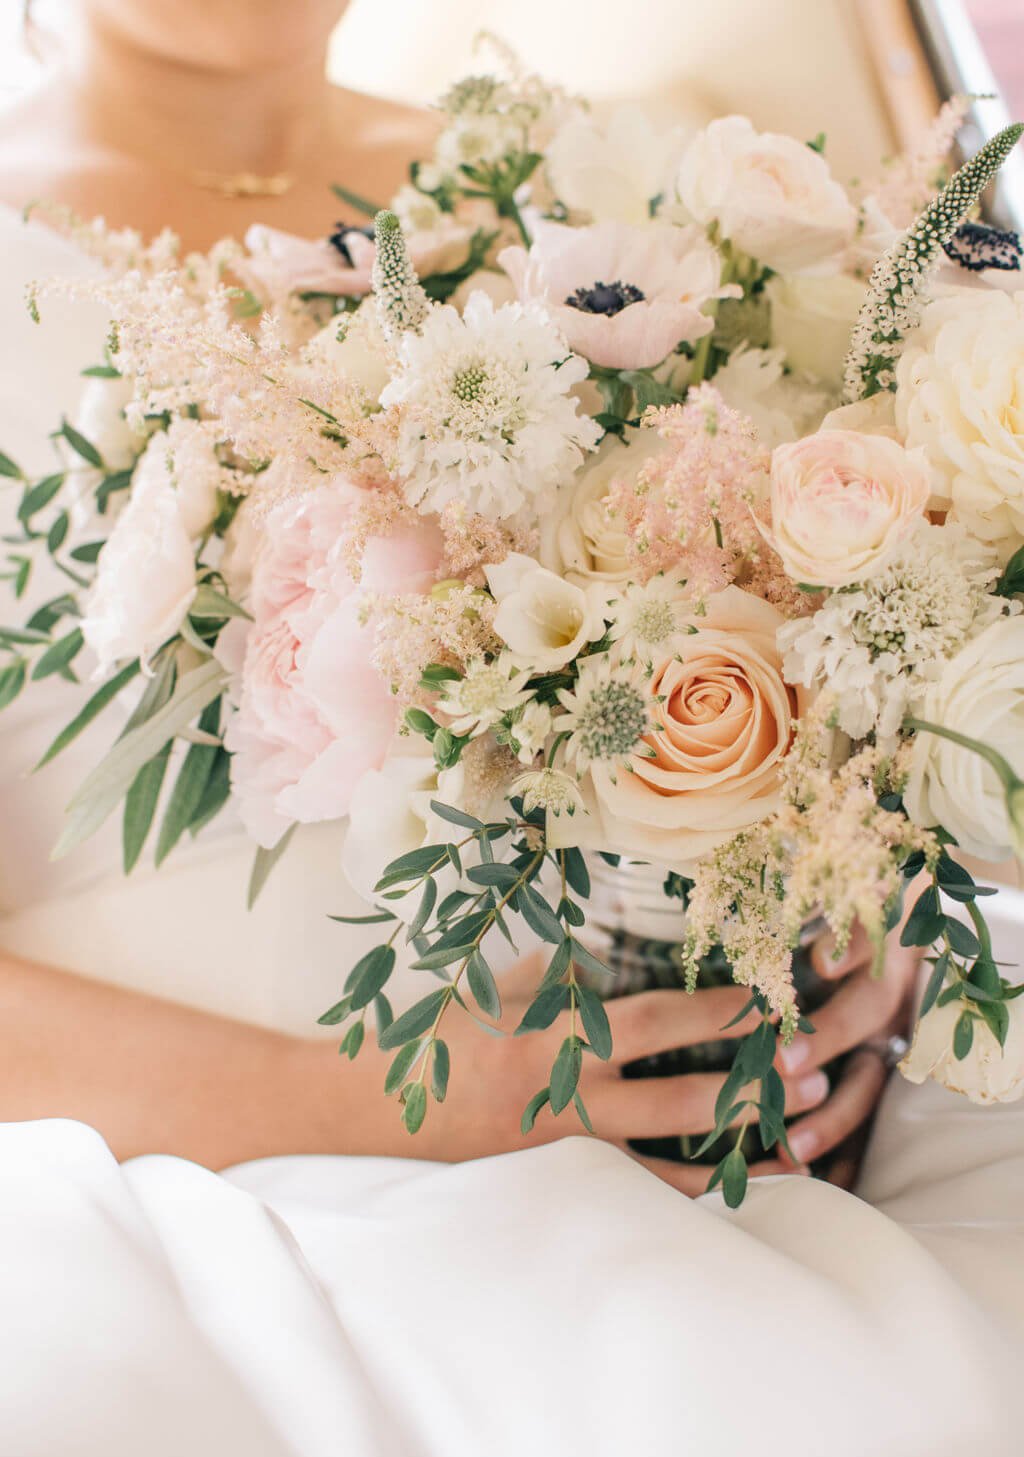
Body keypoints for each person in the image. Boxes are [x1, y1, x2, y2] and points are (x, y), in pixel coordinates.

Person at [0, 0, 916, 1183]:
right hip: (201, 1181)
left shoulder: (585, 188)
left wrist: (841, 888)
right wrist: (404, 1109)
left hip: (690, 1121)